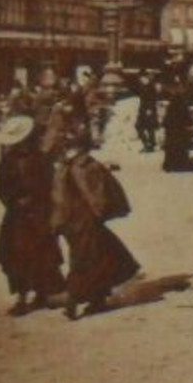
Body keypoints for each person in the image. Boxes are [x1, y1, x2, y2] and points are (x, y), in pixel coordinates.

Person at [49, 131, 139, 320]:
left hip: (68, 220)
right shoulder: (88, 166)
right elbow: (94, 193)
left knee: (94, 256)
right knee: (91, 258)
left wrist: (58, 221)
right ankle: (74, 300)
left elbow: (58, 197)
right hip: (86, 220)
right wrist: (100, 212)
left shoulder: (63, 167)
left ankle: (96, 300)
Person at [0, 116, 65, 315]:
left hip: (38, 213)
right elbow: (1, 187)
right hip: (18, 216)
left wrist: (39, 200)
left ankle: (42, 294)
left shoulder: (39, 158)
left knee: (42, 254)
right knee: (17, 257)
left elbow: (50, 183)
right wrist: (15, 201)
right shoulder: (8, 162)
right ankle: (22, 297)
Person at [135, 78, 159, 154]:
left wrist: (150, 109)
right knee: (140, 127)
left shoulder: (151, 87)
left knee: (149, 127)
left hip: (149, 110)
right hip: (143, 110)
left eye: (144, 78)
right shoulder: (142, 87)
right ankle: (149, 144)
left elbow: (153, 99)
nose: (142, 80)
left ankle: (149, 145)